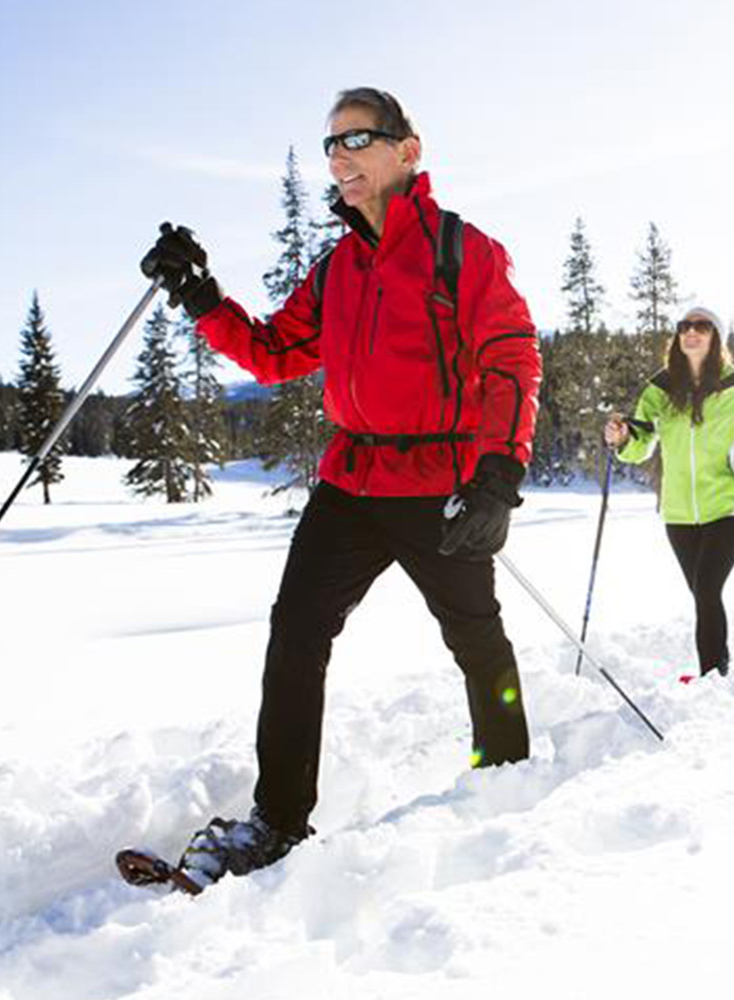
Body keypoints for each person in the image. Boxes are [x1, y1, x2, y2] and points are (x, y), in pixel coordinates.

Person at [137, 87, 542, 887]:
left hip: (439, 481)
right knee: (296, 631)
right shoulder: (338, 269)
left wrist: (498, 473)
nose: (340, 157)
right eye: (331, 144)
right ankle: (279, 821)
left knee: (475, 637)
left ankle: (504, 778)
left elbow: (511, 357)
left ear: (408, 150)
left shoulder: (462, 251)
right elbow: (272, 353)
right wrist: (201, 295)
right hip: (353, 481)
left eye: (357, 139)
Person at [603, 306, 734, 683]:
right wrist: (622, 438)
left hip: (730, 506)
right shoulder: (661, 389)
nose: (691, 332)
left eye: (702, 326)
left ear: (717, 338)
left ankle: (714, 675)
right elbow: (641, 443)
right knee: (701, 593)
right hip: (679, 513)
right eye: (684, 326)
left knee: (708, 588)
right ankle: (715, 673)